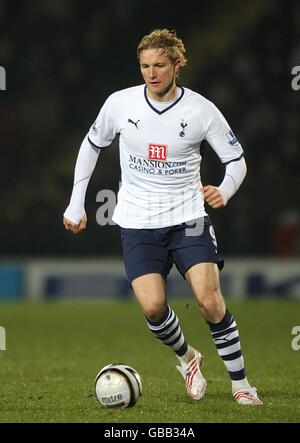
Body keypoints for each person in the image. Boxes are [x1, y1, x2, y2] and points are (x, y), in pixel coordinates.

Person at [63, 28, 262, 405]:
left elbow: (236, 160)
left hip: (189, 217)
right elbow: (91, 146)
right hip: (137, 221)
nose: (151, 73)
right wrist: (77, 202)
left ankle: (241, 384)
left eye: (159, 65)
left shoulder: (201, 110)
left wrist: (225, 188)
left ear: (177, 65)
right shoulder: (120, 104)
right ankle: (188, 358)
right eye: (144, 66)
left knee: (208, 300)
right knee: (153, 307)